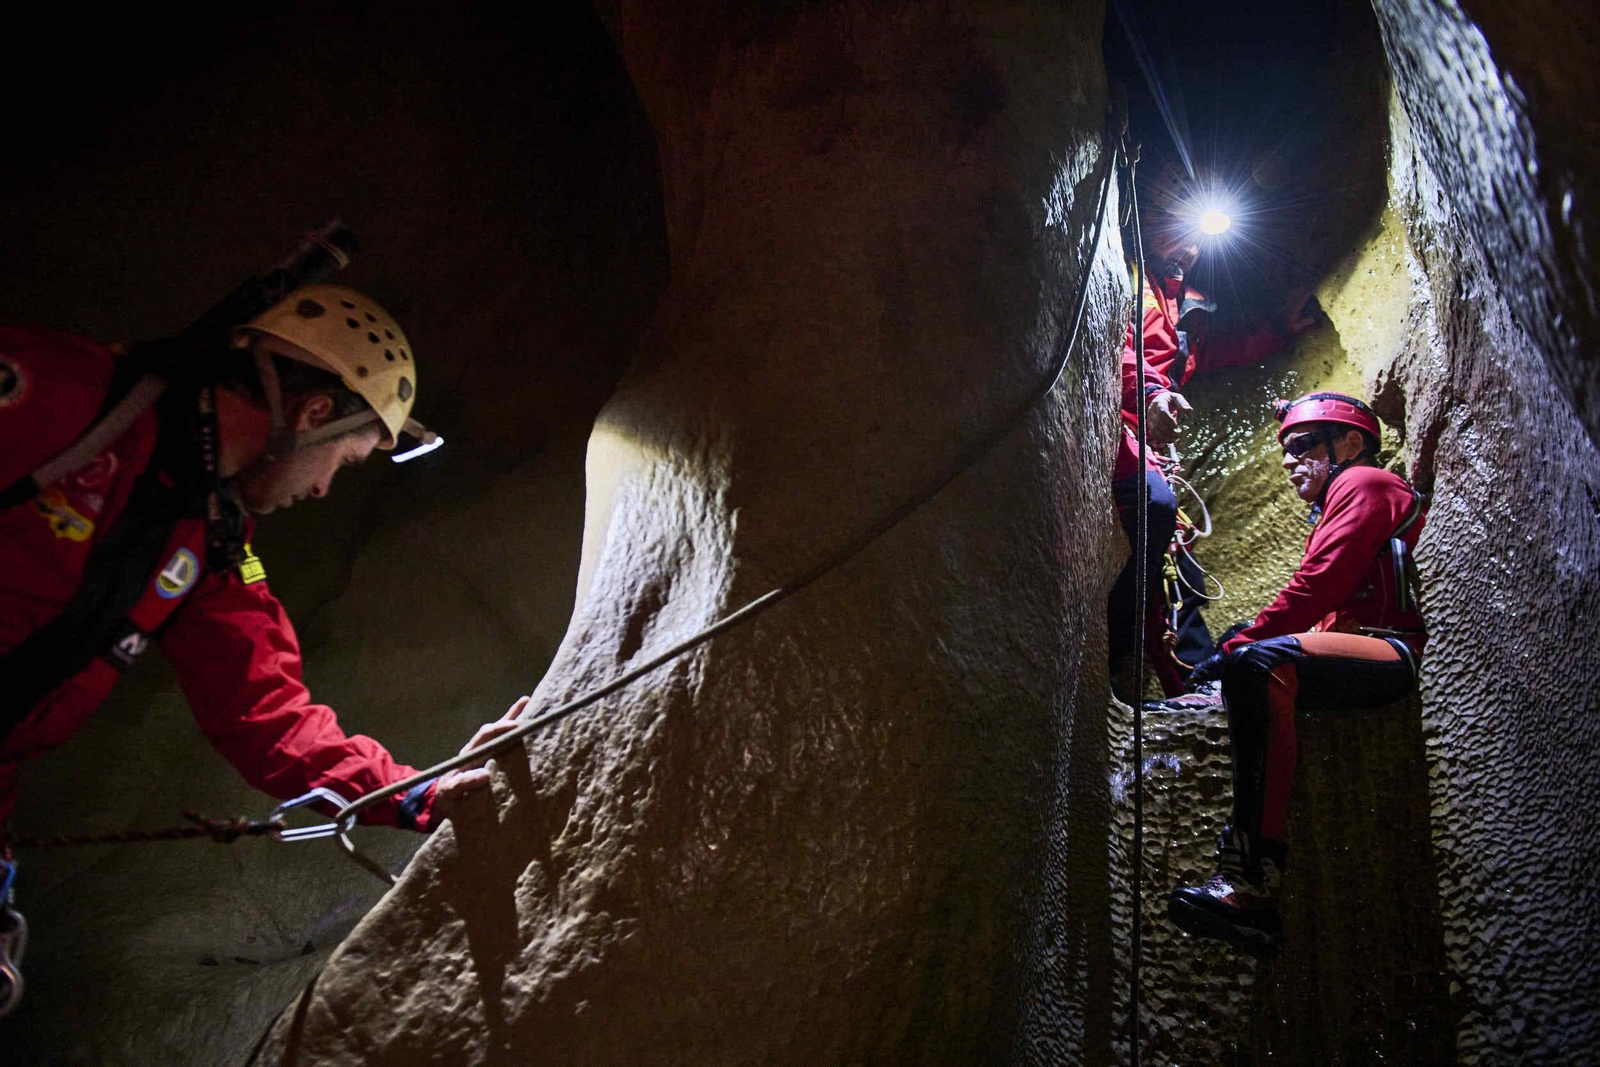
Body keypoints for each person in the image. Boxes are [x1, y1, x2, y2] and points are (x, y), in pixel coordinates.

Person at [0, 284, 517, 842]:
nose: (322, 488)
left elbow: (268, 716)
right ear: (314, 413)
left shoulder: (209, 543)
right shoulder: (69, 393)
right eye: (343, 461)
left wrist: (420, 793)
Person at [1166, 392, 1427, 952]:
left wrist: (1238, 646)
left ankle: (1252, 881)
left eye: (1302, 446)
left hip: (1391, 648)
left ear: (1350, 443)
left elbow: (1318, 586)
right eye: (1286, 450)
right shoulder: (1339, 500)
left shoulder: (1364, 483)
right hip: (1359, 645)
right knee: (1248, 657)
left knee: (1256, 659)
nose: (1288, 461)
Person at [1110, 164, 1318, 695]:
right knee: (1155, 508)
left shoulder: (1184, 302)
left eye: (1196, 239)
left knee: (1183, 568)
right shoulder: (1125, 276)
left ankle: (1194, 684)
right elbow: (1118, 352)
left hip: (1150, 445)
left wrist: (1278, 329)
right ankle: (1116, 645)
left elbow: (1208, 353)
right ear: (1147, 220)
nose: (1191, 248)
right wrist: (1151, 394)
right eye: (1178, 229)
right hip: (1117, 431)